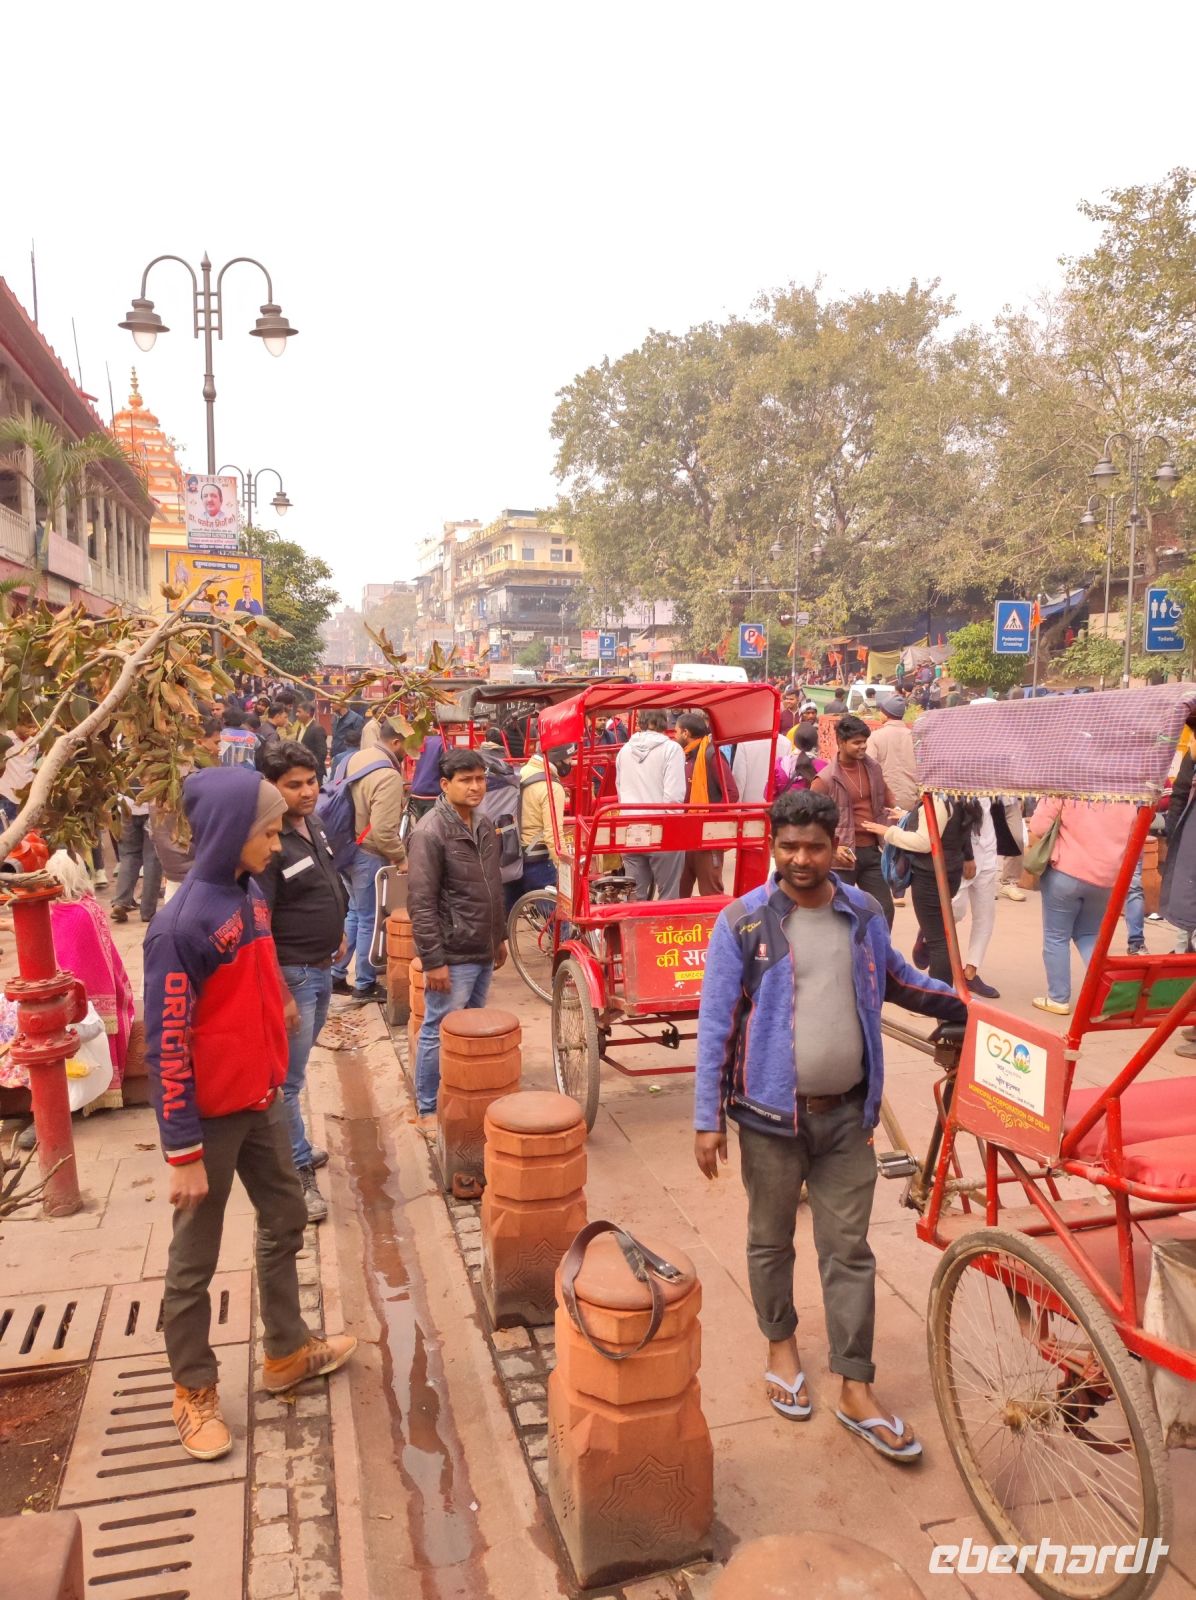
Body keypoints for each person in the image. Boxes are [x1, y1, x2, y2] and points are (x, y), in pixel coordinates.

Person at [694, 788, 967, 1461]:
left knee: (850, 1252)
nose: (802, 859)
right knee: (770, 1239)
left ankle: (854, 1383)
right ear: (773, 846)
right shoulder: (744, 923)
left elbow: (898, 980)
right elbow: (714, 1025)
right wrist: (708, 1119)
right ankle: (781, 1346)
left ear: (835, 845)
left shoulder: (864, 912)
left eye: (815, 846)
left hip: (848, 1116)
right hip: (767, 1119)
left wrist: (966, 1009)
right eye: (788, 847)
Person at [143, 767, 356, 1460]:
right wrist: (181, 1153)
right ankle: (193, 1388)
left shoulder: (247, 895)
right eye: (267, 831)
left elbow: (259, 970)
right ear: (234, 834)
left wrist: (278, 1007)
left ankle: (287, 1350)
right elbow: (167, 1044)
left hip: (262, 1098)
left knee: (287, 1216)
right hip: (208, 1120)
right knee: (192, 1264)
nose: (275, 841)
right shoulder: (180, 927)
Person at [256, 742, 348, 1223]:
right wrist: (281, 991)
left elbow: (329, 877)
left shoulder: (312, 825)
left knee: (298, 1066)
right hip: (293, 972)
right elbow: (261, 921)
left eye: (311, 781)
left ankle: (296, 1146)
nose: (308, 791)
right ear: (271, 787)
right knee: (287, 1082)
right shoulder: (268, 842)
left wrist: (339, 933)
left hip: (321, 964)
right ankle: (295, 1173)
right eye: (294, 785)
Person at [407, 749, 507, 1127]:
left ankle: (461, 1096)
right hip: (453, 952)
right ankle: (428, 1106)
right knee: (439, 1027)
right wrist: (434, 960)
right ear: (445, 785)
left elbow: (492, 886)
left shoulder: (483, 823)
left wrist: (498, 938)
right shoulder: (430, 832)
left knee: (470, 1028)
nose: (476, 786)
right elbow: (421, 901)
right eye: (466, 780)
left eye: (480, 778)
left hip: (482, 948)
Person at [1026, 797, 1137, 1014]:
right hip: (1105, 879)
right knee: (1089, 935)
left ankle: (1058, 998)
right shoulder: (1127, 795)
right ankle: (1108, 993)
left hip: (1065, 873)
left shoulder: (1068, 785)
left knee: (1056, 937)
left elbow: (1039, 826)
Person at [46, 850, 135, 1109]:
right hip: (106, 992)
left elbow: (69, 960)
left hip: (85, 1001)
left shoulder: (70, 913)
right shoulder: (89, 905)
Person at [329, 721, 408, 1002]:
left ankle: (336, 974)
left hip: (345, 848)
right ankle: (364, 984)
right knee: (369, 919)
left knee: (354, 912)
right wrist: (401, 859)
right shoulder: (387, 775)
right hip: (368, 854)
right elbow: (385, 831)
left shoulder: (356, 757)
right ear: (396, 742)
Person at [864, 796, 975, 985]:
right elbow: (944, 826)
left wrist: (888, 832)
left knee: (938, 940)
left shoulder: (939, 799)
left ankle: (940, 998)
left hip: (932, 876)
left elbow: (925, 842)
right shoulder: (959, 795)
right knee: (941, 935)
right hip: (948, 872)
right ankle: (943, 994)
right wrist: (910, 816)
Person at [812, 715, 899, 926]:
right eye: (857, 742)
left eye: (864, 742)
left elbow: (887, 798)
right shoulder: (824, 779)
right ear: (841, 743)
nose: (863, 747)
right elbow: (812, 822)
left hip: (872, 851)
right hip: (842, 856)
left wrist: (899, 817)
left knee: (884, 910)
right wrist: (833, 849)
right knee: (839, 915)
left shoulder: (873, 768)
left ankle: (879, 954)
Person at [949, 798, 1024, 997]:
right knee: (955, 910)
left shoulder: (994, 782)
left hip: (989, 851)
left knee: (985, 915)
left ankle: (971, 972)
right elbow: (959, 819)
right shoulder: (963, 781)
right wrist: (967, 856)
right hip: (965, 852)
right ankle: (929, 933)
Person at [615, 710, 686, 901]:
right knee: (668, 895)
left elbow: (620, 791)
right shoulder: (672, 749)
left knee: (635, 897)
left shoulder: (624, 751)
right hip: (661, 828)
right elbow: (673, 798)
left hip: (630, 829)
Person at [677, 713, 740, 897]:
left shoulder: (711, 754)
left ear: (686, 733)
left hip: (706, 836)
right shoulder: (686, 755)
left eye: (676, 731)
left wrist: (709, 820)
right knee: (680, 891)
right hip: (685, 833)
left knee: (710, 891)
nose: (674, 735)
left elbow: (732, 793)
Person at [511, 743, 569, 908]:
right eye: (569, 757)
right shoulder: (552, 787)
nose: (571, 763)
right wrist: (565, 868)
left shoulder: (522, 772)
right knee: (559, 925)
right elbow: (554, 836)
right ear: (558, 757)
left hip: (514, 856)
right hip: (539, 860)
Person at [110, 790, 164, 925]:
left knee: (129, 856)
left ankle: (121, 902)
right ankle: (148, 911)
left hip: (126, 806)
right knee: (153, 859)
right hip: (153, 806)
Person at [866, 697, 918, 816]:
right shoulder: (914, 737)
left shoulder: (875, 737)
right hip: (910, 799)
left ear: (886, 714)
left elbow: (870, 769)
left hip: (885, 800)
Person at [0, 712, 38, 826]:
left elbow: (31, 766)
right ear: (18, 724)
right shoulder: (4, 738)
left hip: (24, 800)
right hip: (5, 795)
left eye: (34, 727)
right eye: (28, 726)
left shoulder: (34, 743)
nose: (32, 730)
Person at [406, 732, 445, 829]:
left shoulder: (421, 740)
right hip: (432, 793)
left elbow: (410, 761)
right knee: (431, 828)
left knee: (421, 825)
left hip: (416, 790)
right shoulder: (443, 743)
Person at [295, 701, 327, 781]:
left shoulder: (317, 729)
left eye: (299, 712)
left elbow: (321, 753)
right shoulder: (300, 727)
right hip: (301, 769)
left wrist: (312, 768)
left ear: (308, 713)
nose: (296, 714)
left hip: (313, 771)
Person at [330, 700, 366, 767]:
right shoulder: (335, 718)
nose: (331, 705)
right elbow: (334, 738)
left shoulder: (356, 719)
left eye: (333, 702)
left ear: (341, 703)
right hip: (336, 757)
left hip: (349, 759)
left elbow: (360, 740)